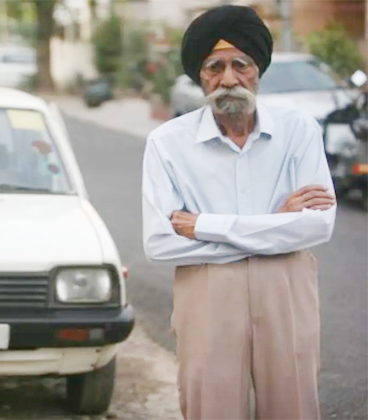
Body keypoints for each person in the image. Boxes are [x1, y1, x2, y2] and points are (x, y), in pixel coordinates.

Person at [141, 5, 336, 420]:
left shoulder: (299, 131)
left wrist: (205, 226)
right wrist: (276, 225)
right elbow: (160, 243)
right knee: (210, 406)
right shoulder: (167, 143)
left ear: (258, 68)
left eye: (240, 64)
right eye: (214, 66)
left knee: (293, 404)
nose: (228, 79)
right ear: (199, 74)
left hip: (285, 285)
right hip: (208, 292)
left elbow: (317, 225)